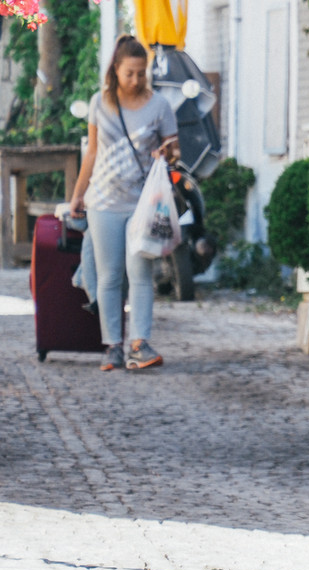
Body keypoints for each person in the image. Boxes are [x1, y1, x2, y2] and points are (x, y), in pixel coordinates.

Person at [70, 35, 179, 371]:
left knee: (140, 272)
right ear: (115, 70)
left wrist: (167, 153)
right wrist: (77, 195)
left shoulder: (160, 105)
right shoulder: (99, 103)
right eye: (129, 73)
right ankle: (112, 347)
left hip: (142, 203)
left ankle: (140, 344)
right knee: (109, 276)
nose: (136, 80)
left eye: (141, 73)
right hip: (103, 202)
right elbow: (91, 153)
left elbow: (174, 152)